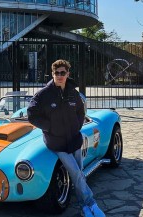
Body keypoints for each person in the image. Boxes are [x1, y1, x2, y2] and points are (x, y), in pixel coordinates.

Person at [27, 59, 105, 217]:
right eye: (57, 73)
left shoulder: (73, 92)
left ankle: (84, 207)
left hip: (74, 140)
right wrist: (49, 128)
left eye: (63, 73)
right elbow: (31, 114)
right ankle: (91, 203)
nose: (60, 76)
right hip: (57, 142)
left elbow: (80, 111)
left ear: (68, 74)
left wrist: (77, 125)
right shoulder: (43, 94)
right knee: (76, 174)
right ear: (52, 74)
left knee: (79, 173)